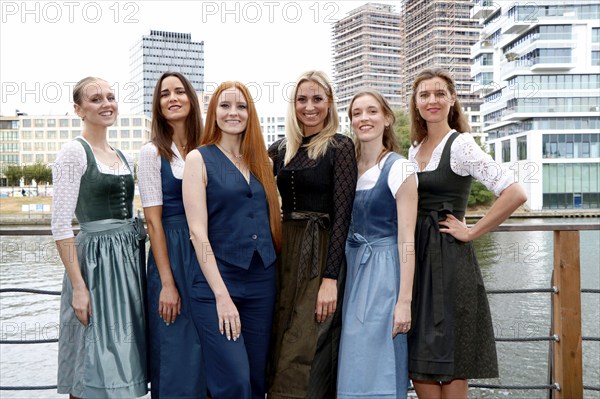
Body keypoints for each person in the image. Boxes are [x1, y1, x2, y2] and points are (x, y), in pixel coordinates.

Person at [407, 68, 527, 399]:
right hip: (417, 264)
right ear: (416, 104)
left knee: (454, 359)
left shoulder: (461, 145)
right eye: (424, 95)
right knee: (421, 360)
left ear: (452, 100)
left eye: (439, 94)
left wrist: (473, 231)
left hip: (451, 262)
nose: (432, 100)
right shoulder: (413, 150)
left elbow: (515, 192)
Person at [182, 81, 281, 399]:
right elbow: (197, 233)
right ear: (213, 112)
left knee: (255, 380)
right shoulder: (198, 159)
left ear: (250, 113)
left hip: (262, 280)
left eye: (241, 106)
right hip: (216, 284)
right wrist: (222, 296)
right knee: (233, 381)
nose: (233, 112)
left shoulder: (262, 161)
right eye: (225, 105)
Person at [51, 77, 147, 398]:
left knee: (125, 359)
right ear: (79, 109)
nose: (106, 103)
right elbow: (61, 225)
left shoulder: (119, 153)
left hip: (127, 266)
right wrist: (79, 286)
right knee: (92, 360)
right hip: (95, 267)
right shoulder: (73, 153)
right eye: (95, 99)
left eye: (110, 96)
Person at [268, 70, 357, 398]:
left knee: (305, 345)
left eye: (317, 99)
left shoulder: (340, 146)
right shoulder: (279, 149)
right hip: (283, 253)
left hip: (321, 252)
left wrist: (330, 278)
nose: (309, 106)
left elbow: (343, 215)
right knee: (279, 338)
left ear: (329, 103)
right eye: (302, 99)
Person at [337, 90, 418, 399]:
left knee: (380, 359)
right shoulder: (348, 167)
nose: (364, 118)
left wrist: (404, 301)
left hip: (384, 272)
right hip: (353, 268)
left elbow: (407, 237)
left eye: (371, 111)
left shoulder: (399, 168)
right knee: (353, 362)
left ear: (386, 119)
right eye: (357, 113)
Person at [137, 72, 206, 398]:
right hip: (173, 256)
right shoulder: (152, 153)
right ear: (158, 105)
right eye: (165, 94)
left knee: (209, 346)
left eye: (180, 91)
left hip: (208, 252)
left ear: (191, 100)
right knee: (174, 348)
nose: (173, 98)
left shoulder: (208, 148)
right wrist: (167, 283)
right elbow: (153, 223)